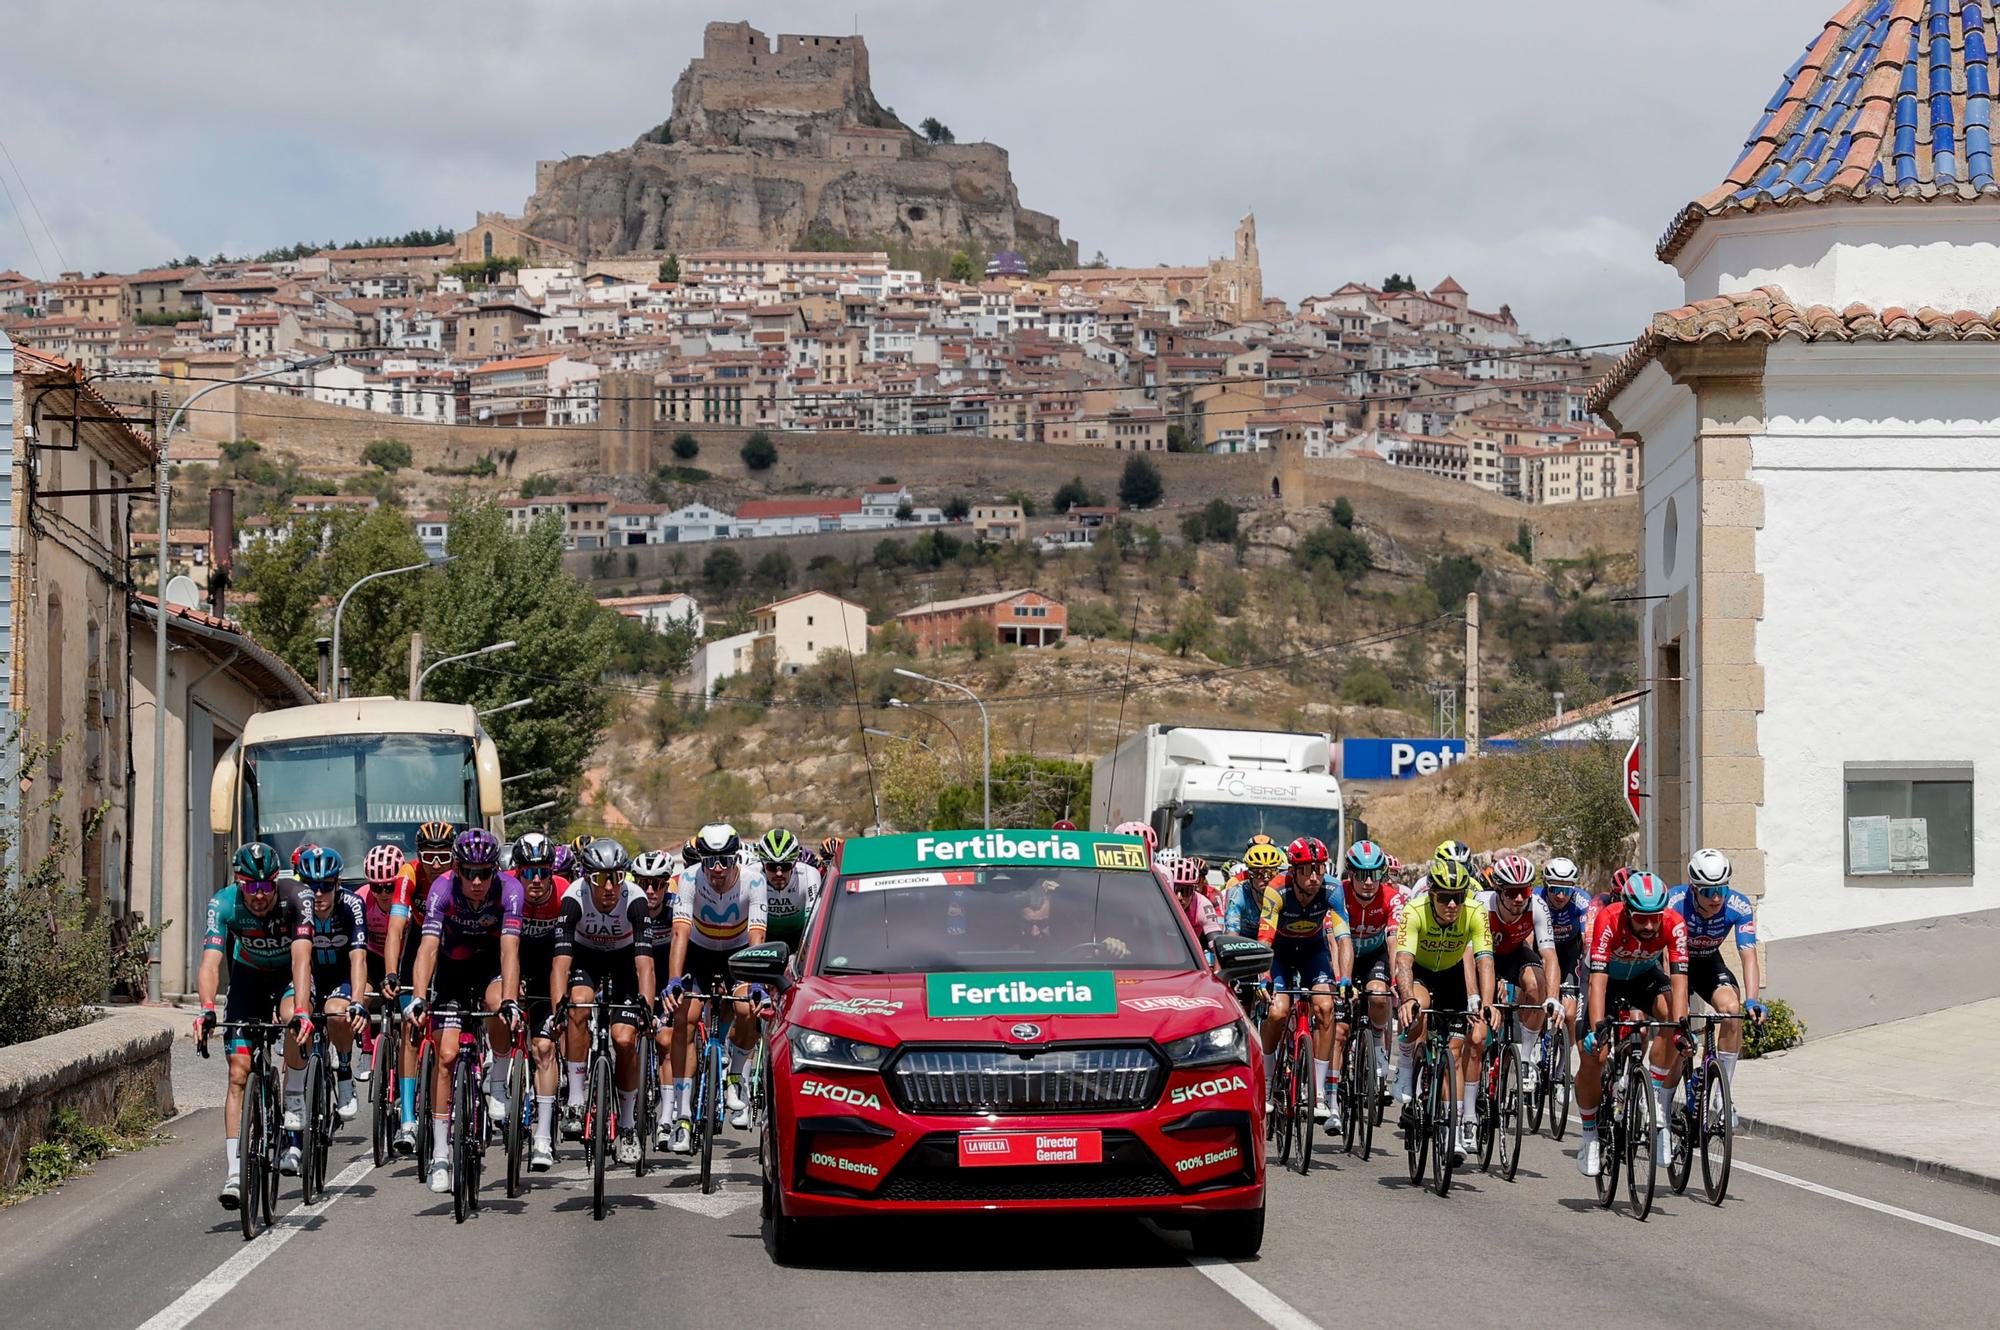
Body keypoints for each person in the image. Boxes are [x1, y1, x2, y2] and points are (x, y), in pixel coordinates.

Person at [193, 843, 315, 1210]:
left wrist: (305, 1010)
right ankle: (234, 1174)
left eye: (266, 886)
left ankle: (294, 1092)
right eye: (251, 887)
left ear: (277, 882)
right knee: (238, 1073)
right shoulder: (224, 903)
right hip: (247, 977)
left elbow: (302, 957)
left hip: (287, 976)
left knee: (294, 1016)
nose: (259, 895)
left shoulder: (297, 898)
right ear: (238, 883)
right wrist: (206, 1008)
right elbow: (212, 962)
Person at [404, 828, 526, 1191]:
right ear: (456, 869)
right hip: (452, 968)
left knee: (496, 1005)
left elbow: (510, 951)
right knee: (446, 1055)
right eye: (469, 872)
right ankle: (441, 1153)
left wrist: (509, 1000)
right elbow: (427, 948)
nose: (477, 881)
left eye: (485, 872)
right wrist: (420, 996)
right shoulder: (442, 888)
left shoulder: (511, 890)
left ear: (495, 870)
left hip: (490, 966)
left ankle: (499, 1076)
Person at [1574, 870, 1688, 1178]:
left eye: (1655, 918)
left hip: (1643, 976)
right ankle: (1589, 1136)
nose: (1650, 925)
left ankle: (1652, 1100)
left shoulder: (1674, 923)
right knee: (1594, 1056)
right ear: (1627, 910)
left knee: (1672, 1019)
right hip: (1606, 980)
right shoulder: (1608, 919)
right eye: (1641, 918)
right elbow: (1597, 981)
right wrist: (1598, 1027)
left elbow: (1679, 980)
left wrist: (1680, 1027)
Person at [662, 823, 769, 1151]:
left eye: (724, 860)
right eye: (710, 861)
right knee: (684, 1017)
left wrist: (756, 984)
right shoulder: (690, 879)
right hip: (699, 953)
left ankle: (736, 1073)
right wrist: (674, 981)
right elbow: (679, 933)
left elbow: (757, 937)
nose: (717, 869)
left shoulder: (754, 880)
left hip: (738, 953)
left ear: (735, 857)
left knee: (746, 1009)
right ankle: (681, 1115)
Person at [552, 838, 656, 1167]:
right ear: (586, 878)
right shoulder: (573, 898)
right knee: (578, 1005)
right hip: (587, 957)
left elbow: (645, 965)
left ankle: (627, 1125)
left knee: (625, 1039)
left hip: (625, 960)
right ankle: (577, 1099)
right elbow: (560, 964)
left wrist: (647, 1009)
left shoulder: (635, 900)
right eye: (599, 878)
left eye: (616, 877)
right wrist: (559, 1009)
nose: (609, 886)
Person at [1391, 858, 1494, 1162]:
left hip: (1451, 976)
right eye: (1445, 897)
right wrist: (1407, 997)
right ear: (1431, 894)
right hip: (1421, 971)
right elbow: (1404, 962)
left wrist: (1486, 1004)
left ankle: (1455, 1128)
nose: (1452, 904)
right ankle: (1407, 1065)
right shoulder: (1415, 911)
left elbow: (1484, 960)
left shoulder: (1475, 912)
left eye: (1458, 897)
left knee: (1457, 1051)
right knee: (1419, 1007)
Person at [1256, 837, 1354, 1128]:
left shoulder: (1333, 889)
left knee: (1325, 1007)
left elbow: (1343, 938)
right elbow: (1265, 939)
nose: (1314, 876)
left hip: (1314, 952)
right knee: (1277, 1012)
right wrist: (1263, 978)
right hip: (1280, 954)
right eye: (1307, 869)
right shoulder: (1277, 890)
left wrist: (1345, 978)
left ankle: (1320, 1092)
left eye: (1319, 868)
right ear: (1293, 871)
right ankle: (1267, 1081)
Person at [1667, 849, 1764, 1122]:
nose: (1717, 898)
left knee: (1732, 1010)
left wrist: (1752, 1000)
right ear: (1694, 888)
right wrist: (1679, 1008)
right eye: (1709, 892)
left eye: (1722, 889)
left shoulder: (1739, 906)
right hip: (1677, 964)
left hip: (1708, 963)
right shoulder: (1675, 902)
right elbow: (1666, 957)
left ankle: (1723, 1097)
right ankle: (1662, 1103)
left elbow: (1749, 956)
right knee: (1679, 1028)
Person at [294, 846, 368, 1172]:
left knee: (337, 1012)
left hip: (341, 977)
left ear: (338, 883)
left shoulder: (352, 905)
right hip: (310, 975)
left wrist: (359, 1002)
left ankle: (345, 1073)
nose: (319, 892)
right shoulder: (297, 906)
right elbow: (295, 960)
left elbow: (359, 959)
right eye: (312, 885)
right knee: (297, 1020)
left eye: (326, 885)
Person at [1476, 853, 1563, 1093]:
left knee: (1537, 986)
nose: (1518, 899)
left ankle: (1524, 1059)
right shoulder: (1481, 905)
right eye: (1511, 892)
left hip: (1514, 954)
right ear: (1498, 890)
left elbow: (1549, 955)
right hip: (1483, 957)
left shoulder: (1537, 905)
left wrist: (1553, 998)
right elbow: (1472, 956)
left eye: (1524, 892)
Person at [511, 831, 568, 1171]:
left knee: (544, 1049)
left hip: (552, 971)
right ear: (517, 871)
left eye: (543, 871)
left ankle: (543, 1137)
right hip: (515, 967)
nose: (536, 879)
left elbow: (569, 950)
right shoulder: (506, 890)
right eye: (528, 872)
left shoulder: (563, 893)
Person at [1340, 840, 1406, 1102]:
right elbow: (1333, 939)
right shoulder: (1338, 893)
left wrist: (1395, 979)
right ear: (1351, 874)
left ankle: (1378, 1045)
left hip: (1374, 957)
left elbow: (1394, 942)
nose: (1369, 881)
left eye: (1375, 875)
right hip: (1343, 954)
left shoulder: (1392, 897)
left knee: (1379, 996)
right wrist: (1339, 979)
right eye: (1363, 875)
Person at [630, 849, 682, 1151]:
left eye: (658, 884)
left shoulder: (675, 908)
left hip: (665, 975)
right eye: (644, 883)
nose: (650, 890)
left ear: (666, 885)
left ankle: (667, 1116)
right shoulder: (630, 906)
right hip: (636, 973)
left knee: (665, 1042)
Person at [1540, 856, 1591, 1036]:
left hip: (1569, 953)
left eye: (1566, 890)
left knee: (1570, 1014)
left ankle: (1563, 1062)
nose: (1561, 895)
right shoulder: (1536, 898)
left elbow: (1587, 941)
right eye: (1555, 889)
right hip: (1541, 952)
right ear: (1546, 886)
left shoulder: (1582, 901)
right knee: (1536, 1005)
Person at [755, 829, 824, 954]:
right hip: (763, 934)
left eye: (785, 866)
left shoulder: (809, 875)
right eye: (772, 866)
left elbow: (813, 924)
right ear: (762, 863)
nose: (779, 873)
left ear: (794, 864)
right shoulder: (752, 875)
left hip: (798, 935)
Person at [1224, 840, 1287, 940]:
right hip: (1244, 942)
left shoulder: (1285, 892)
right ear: (1249, 875)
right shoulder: (1238, 893)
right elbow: (1231, 933)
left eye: (1271, 873)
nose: (1266, 878)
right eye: (1259, 873)